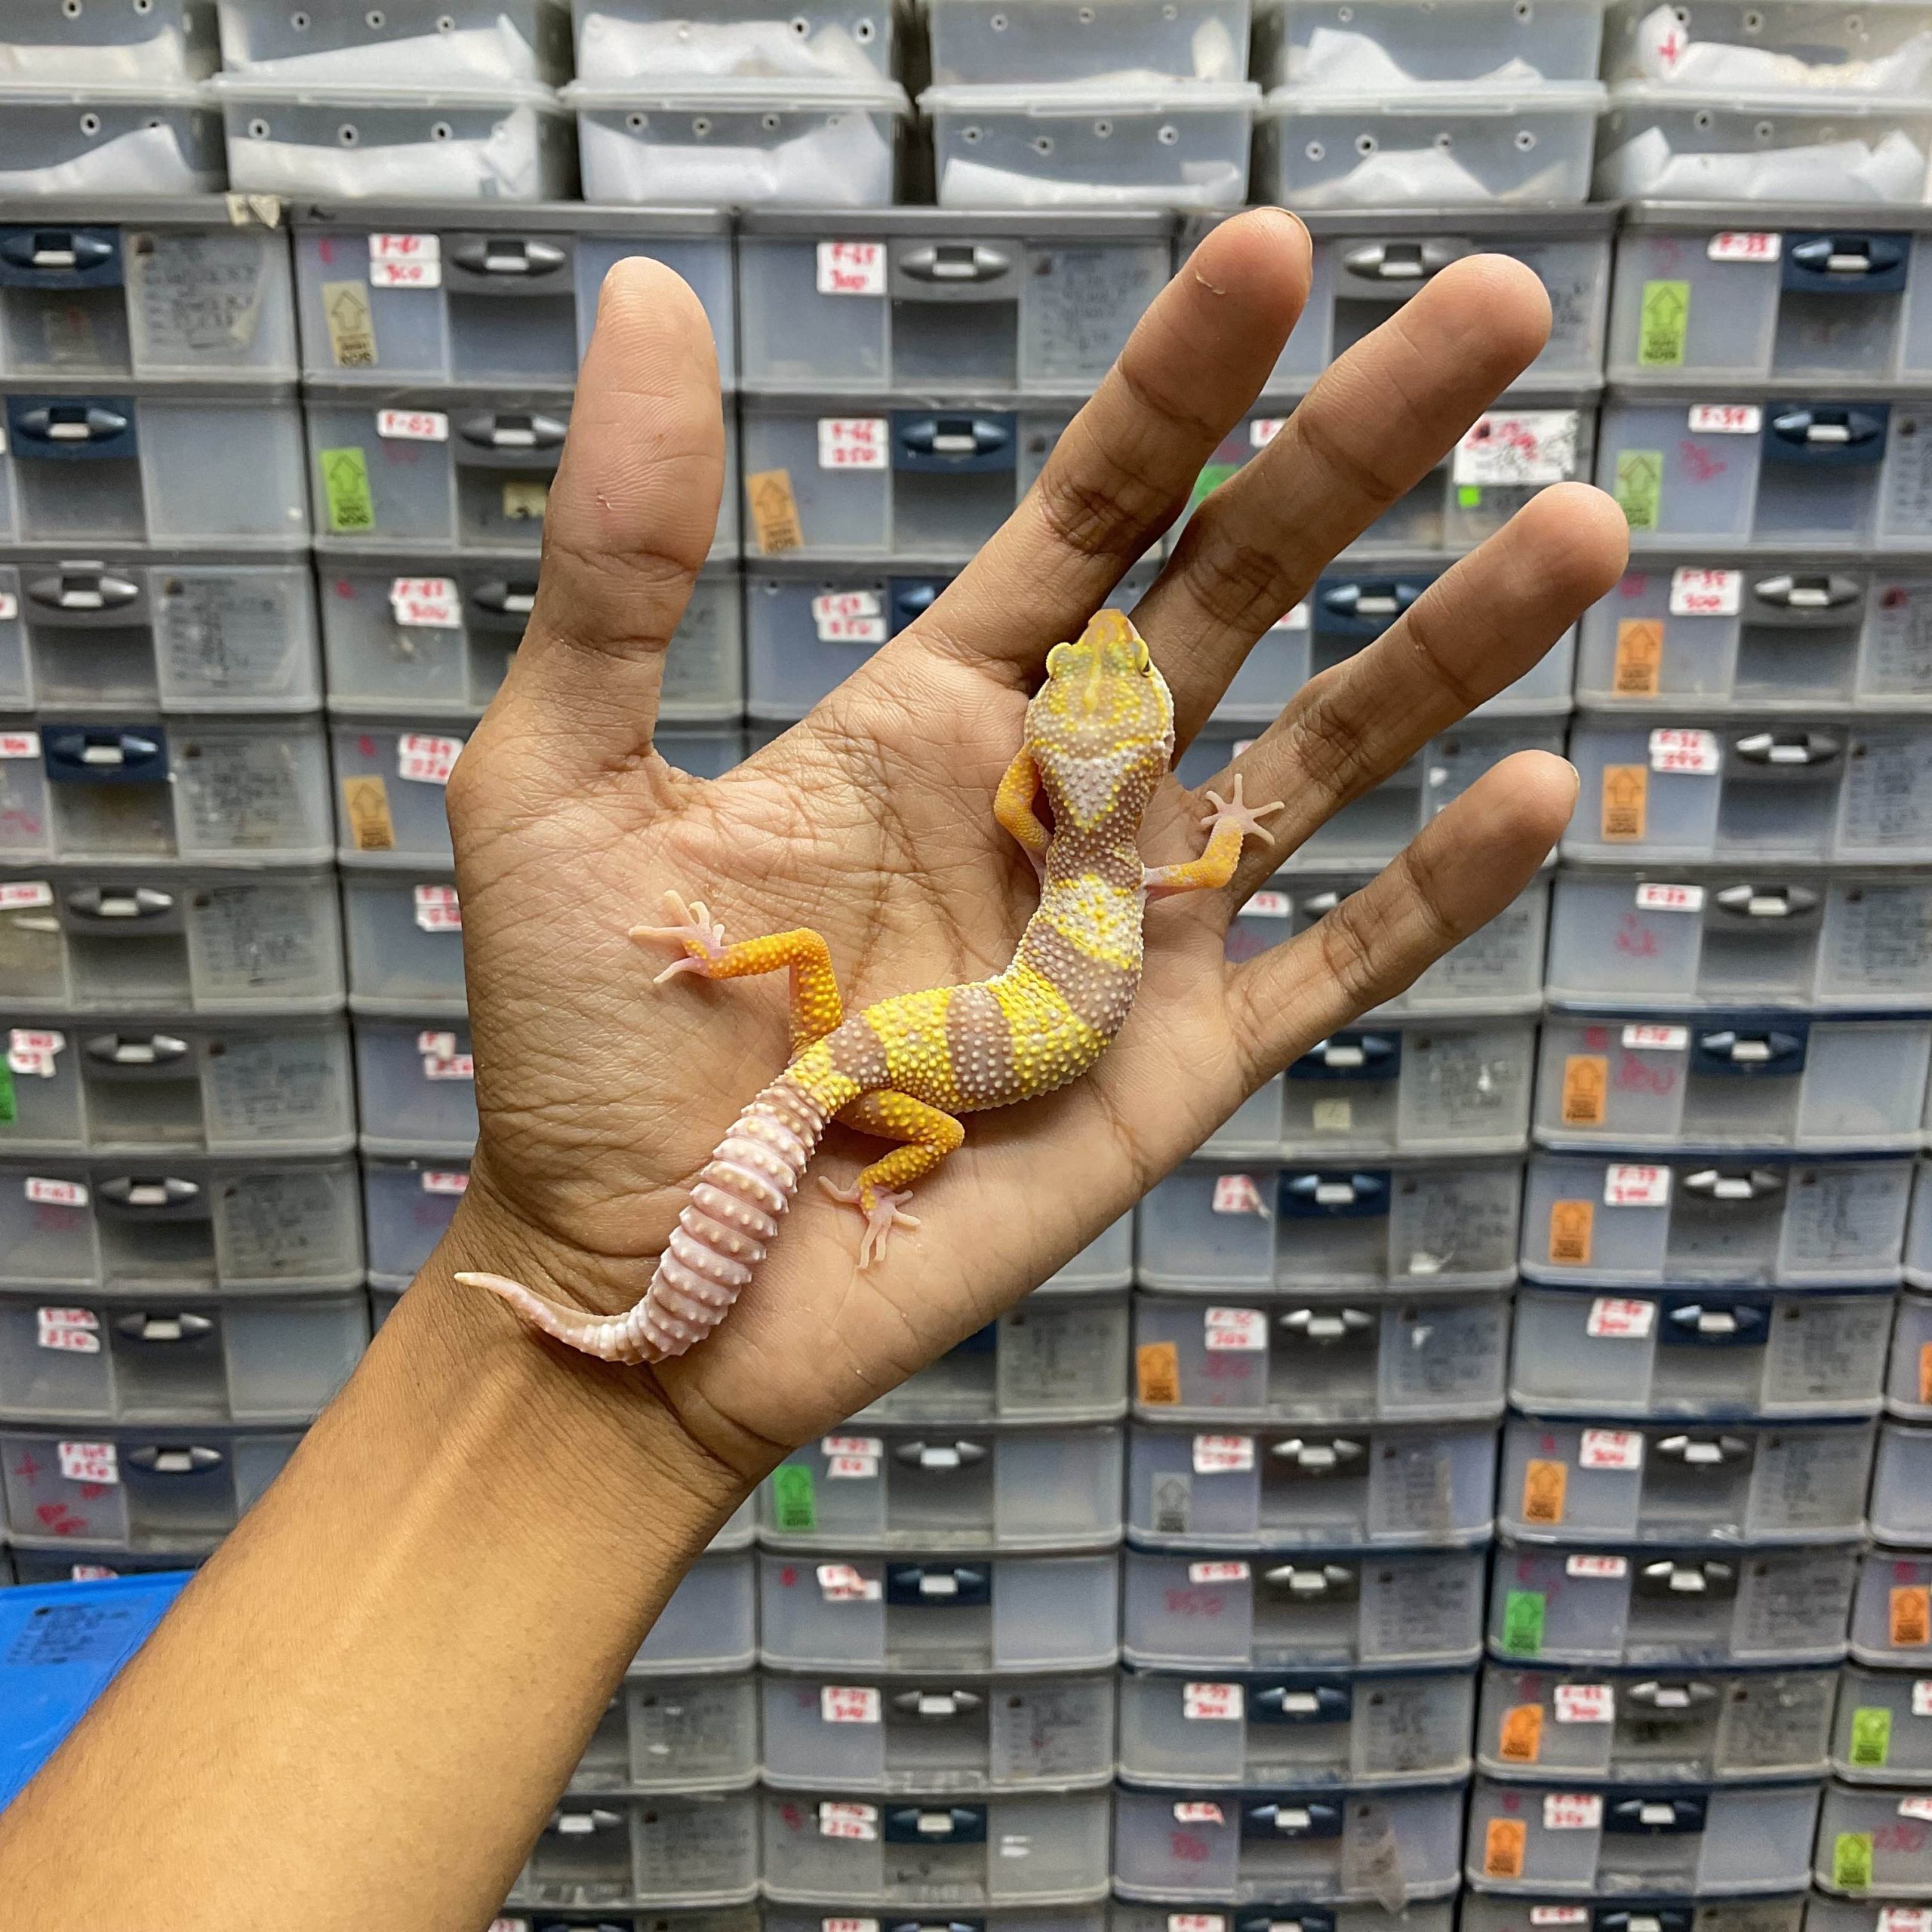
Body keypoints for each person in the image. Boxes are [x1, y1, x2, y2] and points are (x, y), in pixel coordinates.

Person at [0, 207, 1625, 1928]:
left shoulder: (1052, 843)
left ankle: (718, 1025)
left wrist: (807, 1043)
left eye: (1093, 684)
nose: (1091, 671)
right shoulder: (1127, 880)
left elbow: (1022, 808)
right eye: (1084, 677)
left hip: (887, 1055)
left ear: (1066, 767)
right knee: (875, 1115)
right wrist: (1206, 845)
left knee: (838, 1065)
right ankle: (700, 1180)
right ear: (1131, 771)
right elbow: (1201, 864)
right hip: (913, 1071)